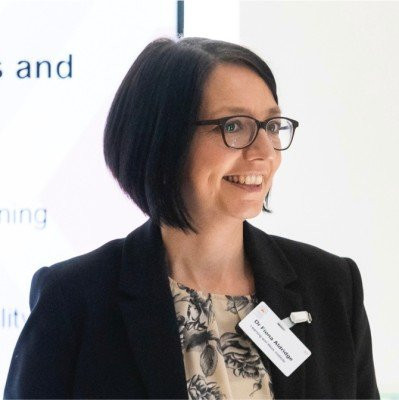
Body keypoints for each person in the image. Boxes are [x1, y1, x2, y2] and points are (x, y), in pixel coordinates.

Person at [3, 37, 379, 399]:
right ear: (163, 138)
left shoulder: (332, 286)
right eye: (234, 126)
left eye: (271, 125)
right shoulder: (76, 299)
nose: (265, 151)